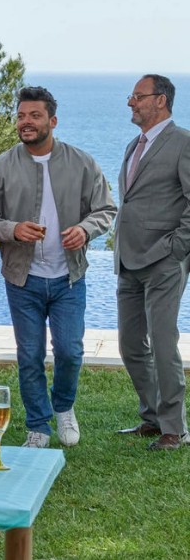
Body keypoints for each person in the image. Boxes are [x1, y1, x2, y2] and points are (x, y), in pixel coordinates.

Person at [0, 86, 116, 448]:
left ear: (52, 120)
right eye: (21, 116)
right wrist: (12, 229)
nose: (26, 122)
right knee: (29, 355)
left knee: (70, 351)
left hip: (69, 278)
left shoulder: (82, 163)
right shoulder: (0, 168)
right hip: (23, 280)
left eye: (34, 116)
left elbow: (106, 210)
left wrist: (85, 230)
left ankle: (64, 407)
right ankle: (38, 426)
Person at [113, 74, 190, 451]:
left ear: (160, 101)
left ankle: (174, 429)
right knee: (130, 344)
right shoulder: (134, 145)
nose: (131, 103)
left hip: (164, 259)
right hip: (127, 260)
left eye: (137, 97)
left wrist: (178, 248)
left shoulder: (183, 144)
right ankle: (152, 417)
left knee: (162, 343)